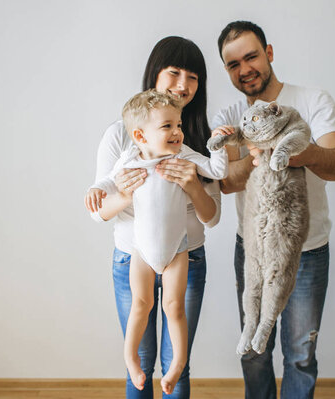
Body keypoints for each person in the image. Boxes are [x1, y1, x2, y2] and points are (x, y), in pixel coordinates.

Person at [212, 21, 335, 399]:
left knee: (301, 356)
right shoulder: (229, 116)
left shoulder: (312, 100)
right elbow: (225, 181)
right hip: (254, 247)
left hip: (307, 251)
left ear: (269, 53)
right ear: (226, 70)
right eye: (233, 64)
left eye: (252, 56)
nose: (245, 69)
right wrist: (258, 157)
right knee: (255, 354)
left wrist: (297, 152)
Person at [84, 37, 221, 399]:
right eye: (173, 72)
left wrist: (194, 186)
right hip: (134, 254)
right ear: (154, 75)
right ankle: (131, 364)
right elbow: (100, 210)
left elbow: (212, 218)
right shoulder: (123, 137)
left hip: (185, 252)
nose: (182, 84)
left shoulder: (194, 143)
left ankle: (175, 371)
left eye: (193, 77)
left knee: (179, 359)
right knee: (142, 360)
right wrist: (122, 194)